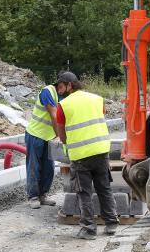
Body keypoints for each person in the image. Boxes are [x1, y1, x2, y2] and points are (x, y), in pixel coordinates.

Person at [54, 72, 119, 240]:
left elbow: (61, 134)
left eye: (62, 86)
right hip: (101, 150)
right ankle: (111, 223)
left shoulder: (64, 105)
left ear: (69, 85)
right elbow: (98, 119)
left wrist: (68, 142)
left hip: (81, 155)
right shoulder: (97, 99)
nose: (61, 91)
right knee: (104, 188)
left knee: (84, 193)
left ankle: (89, 229)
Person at [23, 75, 67, 209]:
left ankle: (43, 195)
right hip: (36, 134)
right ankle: (33, 197)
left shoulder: (63, 97)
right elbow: (54, 115)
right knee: (34, 166)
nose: (65, 91)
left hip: (49, 137)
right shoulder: (47, 91)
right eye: (64, 87)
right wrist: (60, 136)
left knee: (48, 168)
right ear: (60, 84)